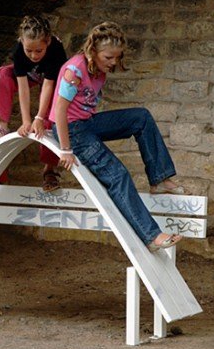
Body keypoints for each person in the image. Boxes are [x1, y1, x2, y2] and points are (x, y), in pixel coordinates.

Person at [49, 22, 184, 252]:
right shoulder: (75, 70)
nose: (113, 62)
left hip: (88, 122)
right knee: (117, 174)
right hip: (72, 130)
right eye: (108, 57)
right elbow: (60, 109)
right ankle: (152, 236)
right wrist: (65, 149)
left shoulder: (99, 68)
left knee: (141, 117)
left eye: (116, 57)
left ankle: (159, 179)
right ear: (93, 51)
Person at [0, 15, 67, 192]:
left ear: (48, 42)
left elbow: (48, 86)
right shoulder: (18, 50)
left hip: (52, 81)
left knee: (51, 113)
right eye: (29, 51)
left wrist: (39, 118)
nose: (34, 55)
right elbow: (23, 87)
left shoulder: (56, 50)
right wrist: (26, 121)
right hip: (30, 77)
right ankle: (1, 127)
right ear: (21, 41)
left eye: (39, 51)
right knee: (1, 75)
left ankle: (49, 169)